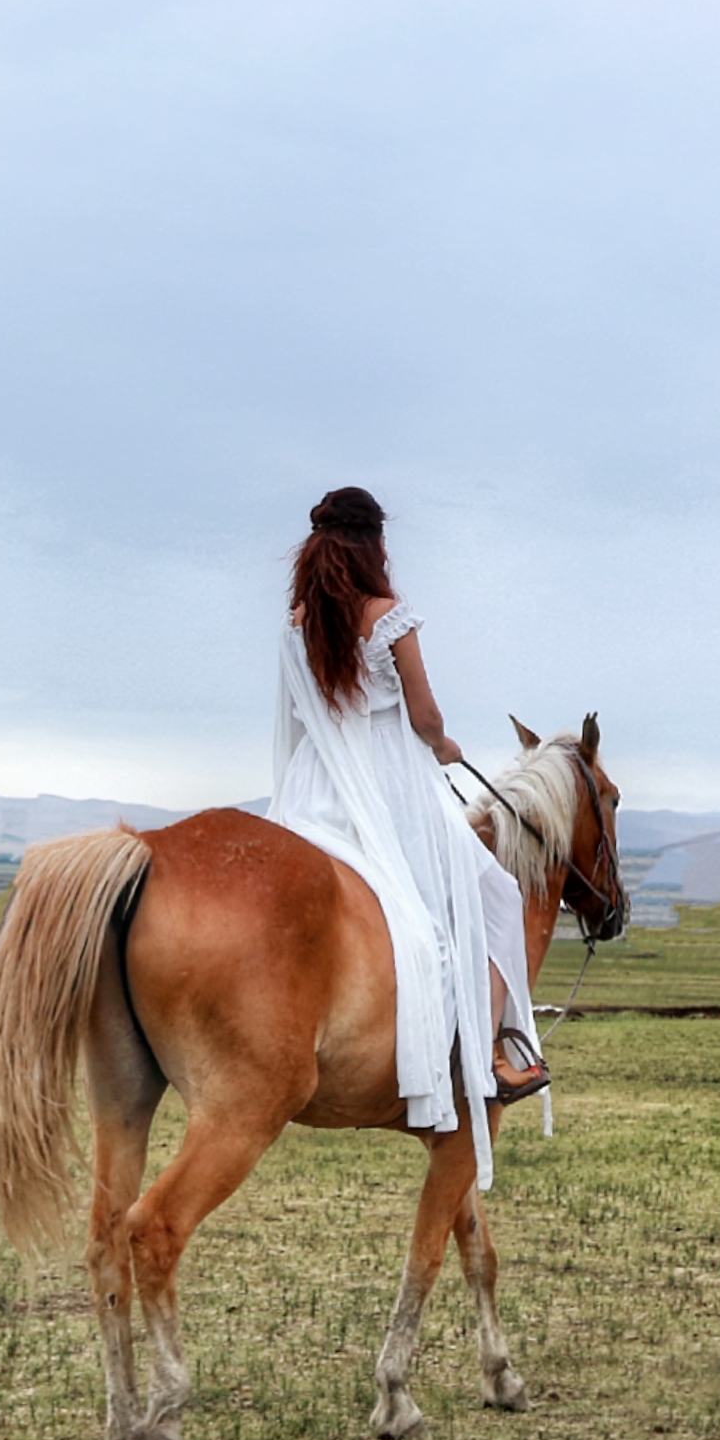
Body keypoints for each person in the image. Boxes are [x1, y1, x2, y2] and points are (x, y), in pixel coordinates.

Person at [270, 487, 548, 1162]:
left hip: (316, 784)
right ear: (372, 544)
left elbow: (300, 716)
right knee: (494, 895)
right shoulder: (388, 616)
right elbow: (424, 717)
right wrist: (445, 746)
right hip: (390, 784)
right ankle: (487, 1055)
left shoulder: (298, 620)